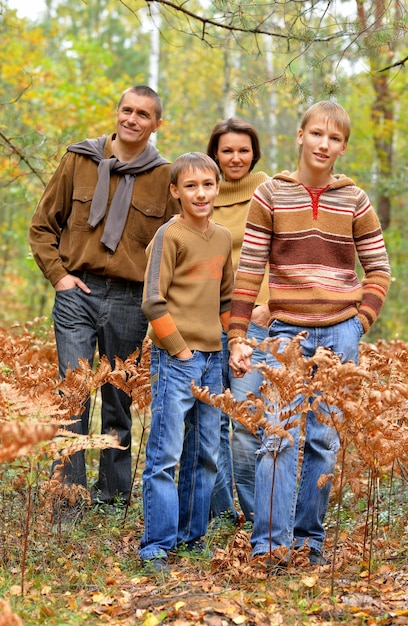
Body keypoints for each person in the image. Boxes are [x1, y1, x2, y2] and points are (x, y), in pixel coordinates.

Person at [227, 101, 391, 565]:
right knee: (278, 435)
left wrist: (359, 323)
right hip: (284, 334)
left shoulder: (355, 200)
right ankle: (270, 545)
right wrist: (239, 334)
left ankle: (307, 542)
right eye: (317, 134)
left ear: (343, 146)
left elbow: (378, 268)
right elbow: (249, 269)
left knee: (323, 439)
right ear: (300, 136)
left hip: (340, 333)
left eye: (334, 138)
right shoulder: (271, 195)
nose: (324, 144)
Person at [29, 85, 179, 513]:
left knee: (118, 399)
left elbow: (172, 246)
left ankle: (112, 500)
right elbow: (43, 226)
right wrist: (59, 277)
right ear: (117, 113)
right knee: (73, 395)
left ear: (156, 125)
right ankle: (69, 502)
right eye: (126, 110)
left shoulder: (164, 177)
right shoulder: (79, 159)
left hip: (130, 299)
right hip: (78, 291)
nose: (132, 119)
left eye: (143, 114)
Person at [139, 152, 234, 573]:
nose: (201, 193)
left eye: (208, 185)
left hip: (214, 357)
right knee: (165, 454)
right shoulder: (169, 236)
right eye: (191, 186)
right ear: (176, 191)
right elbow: (152, 300)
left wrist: (234, 345)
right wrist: (178, 349)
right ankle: (156, 545)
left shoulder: (224, 237)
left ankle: (191, 537)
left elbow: (227, 298)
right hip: (177, 358)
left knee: (206, 452)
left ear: (218, 188)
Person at [206, 117, 270, 523]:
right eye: (227, 150)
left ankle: (256, 514)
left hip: (255, 321)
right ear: (215, 153)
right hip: (207, 322)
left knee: (246, 422)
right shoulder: (200, 192)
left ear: (254, 153)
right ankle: (222, 515)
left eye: (243, 150)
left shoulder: (269, 190)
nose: (235, 157)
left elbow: (289, 251)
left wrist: (271, 304)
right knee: (210, 422)